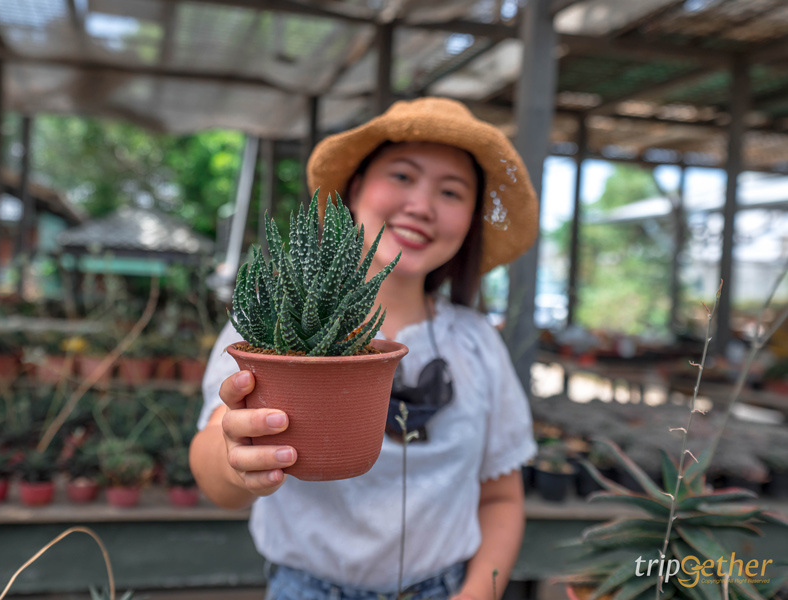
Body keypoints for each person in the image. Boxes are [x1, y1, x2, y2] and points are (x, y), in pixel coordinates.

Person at [189, 97, 540, 600]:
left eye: (450, 191)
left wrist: (477, 595)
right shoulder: (274, 321)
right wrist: (236, 457)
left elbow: (502, 498)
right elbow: (215, 470)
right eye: (402, 176)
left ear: (470, 220)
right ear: (355, 188)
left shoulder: (477, 343)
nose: (422, 205)